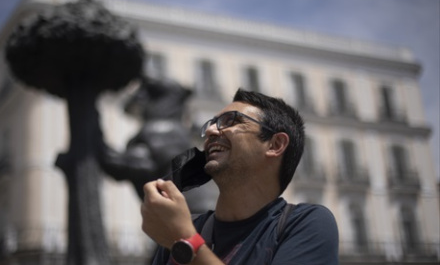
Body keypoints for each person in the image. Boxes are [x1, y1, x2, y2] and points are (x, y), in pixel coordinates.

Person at [141, 88, 339, 264]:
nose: (210, 130)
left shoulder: (307, 223)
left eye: (231, 121)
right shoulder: (185, 227)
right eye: (212, 123)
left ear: (275, 144)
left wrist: (185, 240)